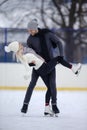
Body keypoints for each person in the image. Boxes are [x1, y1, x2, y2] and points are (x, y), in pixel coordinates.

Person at [18, 19, 81, 116]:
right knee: (32, 85)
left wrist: (61, 56)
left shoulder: (47, 34)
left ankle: (51, 106)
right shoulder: (29, 40)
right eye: (28, 30)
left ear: (35, 28)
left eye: (31, 30)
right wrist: (31, 64)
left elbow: (59, 42)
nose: (29, 32)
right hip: (38, 66)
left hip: (50, 63)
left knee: (52, 85)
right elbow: (30, 54)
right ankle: (25, 106)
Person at [4, 41, 82, 116]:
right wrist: (29, 68)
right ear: (17, 47)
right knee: (59, 58)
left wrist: (33, 63)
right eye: (19, 44)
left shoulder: (22, 54)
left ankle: (47, 109)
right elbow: (27, 65)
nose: (21, 44)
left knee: (50, 88)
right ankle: (74, 69)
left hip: (42, 67)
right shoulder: (24, 55)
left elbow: (30, 61)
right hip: (43, 68)